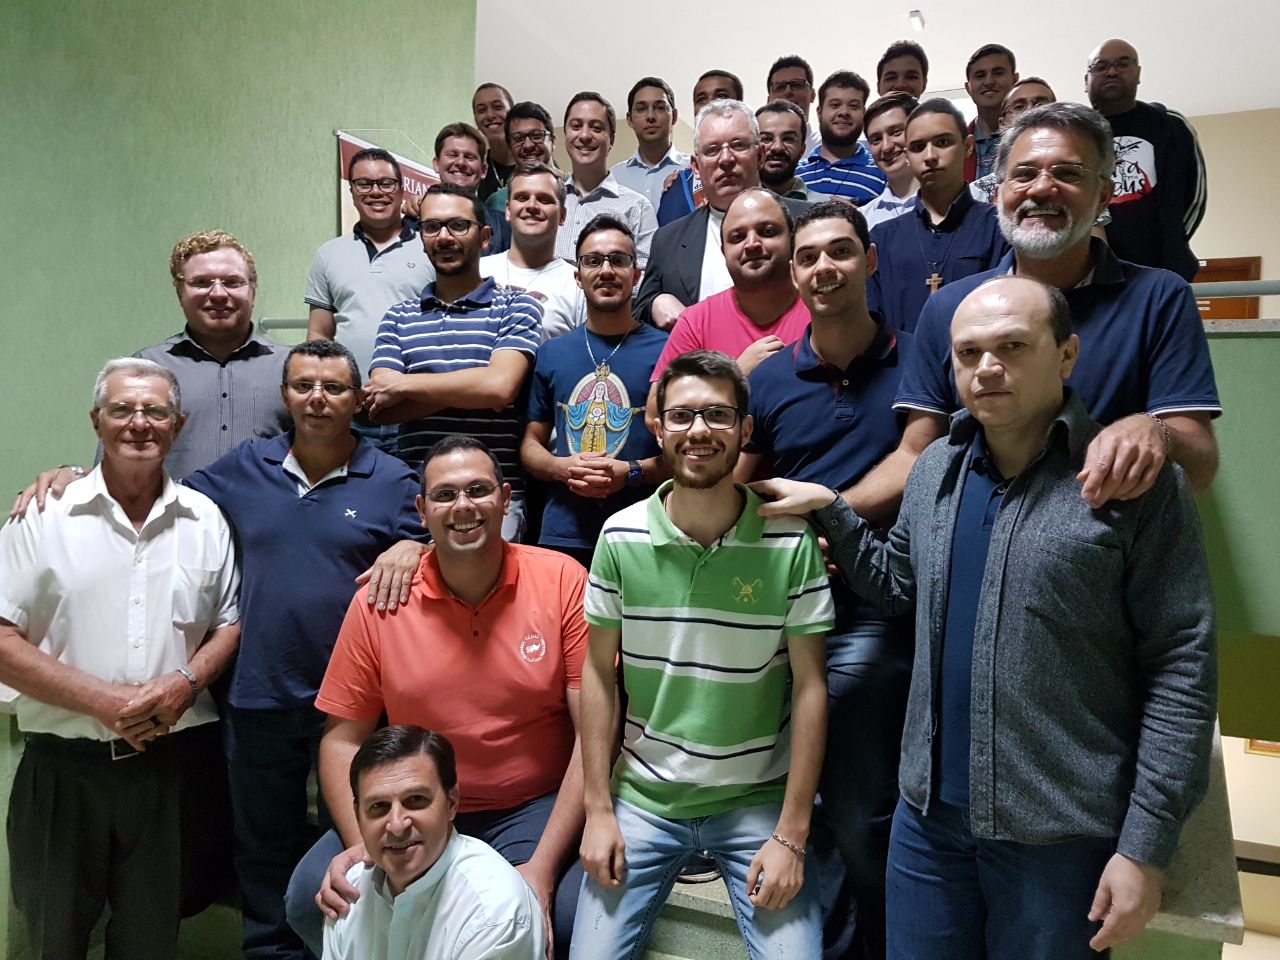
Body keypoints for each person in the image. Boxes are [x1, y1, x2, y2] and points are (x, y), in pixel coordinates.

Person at [753, 274, 1217, 959]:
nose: (987, 367)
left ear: (1066, 355)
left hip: (1059, 838)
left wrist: (1145, 846)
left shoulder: (1134, 485)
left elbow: (1182, 666)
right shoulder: (935, 469)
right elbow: (897, 587)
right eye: (968, 353)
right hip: (927, 827)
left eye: (1012, 347)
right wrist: (831, 507)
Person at [572, 350, 834, 959]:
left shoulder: (788, 539)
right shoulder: (620, 535)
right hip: (644, 798)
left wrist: (792, 835)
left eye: (718, 415)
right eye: (682, 415)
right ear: (657, 427)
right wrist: (598, 809)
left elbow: (811, 686)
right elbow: (598, 674)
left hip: (755, 801)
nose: (699, 430)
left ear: (745, 430)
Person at [287, 435, 588, 960]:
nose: (463, 506)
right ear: (422, 511)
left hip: (528, 808)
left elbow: (594, 734)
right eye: (445, 495)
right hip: (412, 804)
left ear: (505, 499)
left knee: (560, 919)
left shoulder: (561, 580)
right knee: (312, 898)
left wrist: (540, 868)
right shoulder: (381, 599)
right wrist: (362, 841)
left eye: (478, 490)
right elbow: (342, 739)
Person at [0, 358, 240, 960]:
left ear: (177, 425)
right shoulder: (41, 515)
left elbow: (229, 624)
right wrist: (104, 702)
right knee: (54, 942)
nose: (139, 422)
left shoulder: (205, 519)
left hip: (165, 774)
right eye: (122, 409)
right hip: (61, 772)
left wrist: (187, 682)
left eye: (155, 411)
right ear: (96, 421)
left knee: (150, 944)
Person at [738, 201, 918, 959]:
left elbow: (917, 459)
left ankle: (879, 942)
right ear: (793, 272)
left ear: (869, 261)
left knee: (856, 803)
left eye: (840, 251)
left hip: (873, 603)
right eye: (808, 257)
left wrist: (828, 513)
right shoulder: (772, 377)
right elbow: (744, 478)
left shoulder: (917, 359)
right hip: (781, 600)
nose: (824, 268)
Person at [890, 102, 1221, 509]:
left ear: (1103, 195)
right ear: (998, 193)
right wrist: (831, 514)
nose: (1042, 189)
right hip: (975, 532)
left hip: (1104, 538)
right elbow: (915, 454)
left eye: (1068, 173)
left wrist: (1155, 432)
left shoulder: (1159, 298)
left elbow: (1200, 468)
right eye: (1024, 174)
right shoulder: (951, 307)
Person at [365, 183, 541, 539]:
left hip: (494, 495)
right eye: (432, 227)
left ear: (485, 237)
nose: (444, 237)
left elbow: (499, 387)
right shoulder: (398, 317)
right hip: (416, 496)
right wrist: (473, 388)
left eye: (458, 225)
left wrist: (407, 383)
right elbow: (381, 406)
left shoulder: (517, 307)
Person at [323, 725, 542, 960]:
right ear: (358, 816)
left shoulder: (493, 913)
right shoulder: (347, 893)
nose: (397, 825)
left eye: (416, 800)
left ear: (451, 803)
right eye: (379, 806)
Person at [522, 216, 667, 567]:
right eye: (593, 261)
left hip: (645, 531)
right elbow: (530, 444)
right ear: (578, 275)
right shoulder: (552, 353)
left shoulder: (667, 351)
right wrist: (560, 467)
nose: (606, 270)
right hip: (563, 533)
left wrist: (631, 472)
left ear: (636, 274)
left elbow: (683, 453)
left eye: (618, 260)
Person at [306, 149, 437, 453]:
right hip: (351, 413)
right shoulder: (329, 254)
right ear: (351, 190)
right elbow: (319, 334)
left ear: (401, 189)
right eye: (364, 183)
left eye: (386, 183)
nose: (376, 192)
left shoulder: (430, 246)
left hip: (417, 412)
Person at [636, 99, 809, 330]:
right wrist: (655, 302)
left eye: (738, 145)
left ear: (760, 155)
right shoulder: (668, 240)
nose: (726, 159)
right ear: (696, 166)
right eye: (712, 150)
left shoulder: (808, 221)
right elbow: (639, 310)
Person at [646, 188, 811, 421]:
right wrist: (734, 375)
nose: (752, 244)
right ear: (724, 252)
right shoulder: (697, 321)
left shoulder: (822, 309)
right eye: (737, 237)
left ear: (792, 240)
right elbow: (655, 413)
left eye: (767, 231)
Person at [139, 229, 291, 479]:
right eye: (201, 282)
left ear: (252, 291)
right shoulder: (146, 368)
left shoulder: (291, 369)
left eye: (232, 282)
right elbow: (115, 468)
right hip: (172, 506)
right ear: (180, 293)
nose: (218, 294)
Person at [868, 99, 1008, 333]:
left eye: (942, 142)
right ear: (907, 156)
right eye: (918, 147)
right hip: (903, 356)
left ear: (968, 146)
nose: (930, 156)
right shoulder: (882, 239)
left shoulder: (998, 228)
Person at [1085, 38, 1207, 280]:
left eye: (1123, 64)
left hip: (1162, 271)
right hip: (1091, 273)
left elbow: (1195, 195)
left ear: (1138, 73)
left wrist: (1174, 242)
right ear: (1085, 80)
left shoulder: (1171, 126)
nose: (1112, 72)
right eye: (1101, 66)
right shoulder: (1075, 132)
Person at [480, 161, 587, 342]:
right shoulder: (477, 271)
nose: (531, 206)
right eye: (522, 198)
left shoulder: (578, 285)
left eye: (544, 199)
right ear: (508, 210)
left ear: (562, 216)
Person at [555, 92, 657, 269]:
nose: (584, 135)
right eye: (576, 126)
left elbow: (645, 275)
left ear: (612, 139)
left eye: (596, 128)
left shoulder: (637, 208)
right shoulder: (548, 201)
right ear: (566, 134)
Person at [655, 70, 745, 226]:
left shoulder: (764, 175)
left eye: (721, 96)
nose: (711, 105)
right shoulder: (677, 187)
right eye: (701, 99)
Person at [796, 70, 887, 204]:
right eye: (835, 105)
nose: (844, 112)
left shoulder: (882, 171)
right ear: (819, 113)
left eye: (853, 106)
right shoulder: (795, 173)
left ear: (864, 114)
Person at [968, 78, 1058, 204]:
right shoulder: (978, 194)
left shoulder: (1077, 180)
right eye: (1019, 107)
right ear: (1002, 124)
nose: (1030, 111)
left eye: (1040, 105)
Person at [610, 76, 689, 214]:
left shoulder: (693, 170)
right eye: (641, 109)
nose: (650, 116)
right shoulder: (615, 177)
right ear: (630, 119)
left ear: (674, 116)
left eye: (660, 107)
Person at [431, 122, 512, 255]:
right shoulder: (415, 220)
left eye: (469, 157)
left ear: (483, 170)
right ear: (437, 164)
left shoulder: (504, 228)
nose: (460, 162)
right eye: (452, 155)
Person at [861, 92, 921, 230]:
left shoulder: (961, 201)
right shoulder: (864, 220)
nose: (886, 147)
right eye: (876, 139)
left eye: (896, 132)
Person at [487, 101, 561, 212]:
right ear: (509, 146)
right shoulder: (497, 202)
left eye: (536, 136)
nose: (528, 145)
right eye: (518, 138)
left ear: (553, 141)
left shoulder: (575, 189)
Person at [962, 44, 1019, 182]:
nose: (989, 82)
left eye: (998, 73)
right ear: (968, 88)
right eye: (980, 75)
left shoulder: (1030, 139)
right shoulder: (956, 145)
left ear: (1014, 80)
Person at [756, 100, 819, 201]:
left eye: (788, 139)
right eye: (766, 139)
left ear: (802, 149)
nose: (777, 147)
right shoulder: (732, 203)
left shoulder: (824, 206)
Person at [766, 54, 821, 153]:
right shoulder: (756, 149)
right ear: (769, 100)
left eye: (797, 84)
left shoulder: (827, 148)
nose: (788, 91)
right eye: (780, 86)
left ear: (812, 95)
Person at [473, 83, 517, 202]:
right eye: (482, 110)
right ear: (476, 120)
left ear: (512, 113)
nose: (490, 115)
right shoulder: (475, 169)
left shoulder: (537, 161)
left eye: (498, 107)